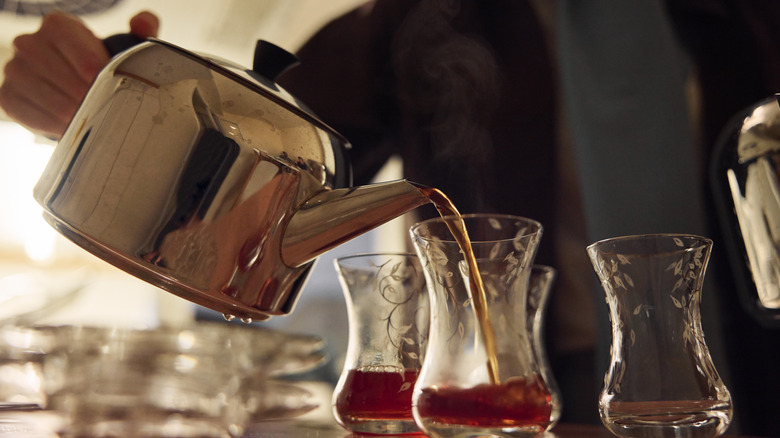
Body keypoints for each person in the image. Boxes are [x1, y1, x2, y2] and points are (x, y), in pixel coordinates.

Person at [2, 1, 779, 434]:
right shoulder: (424, 23)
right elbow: (263, 126)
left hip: (757, 382)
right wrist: (97, 80)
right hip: (500, 395)